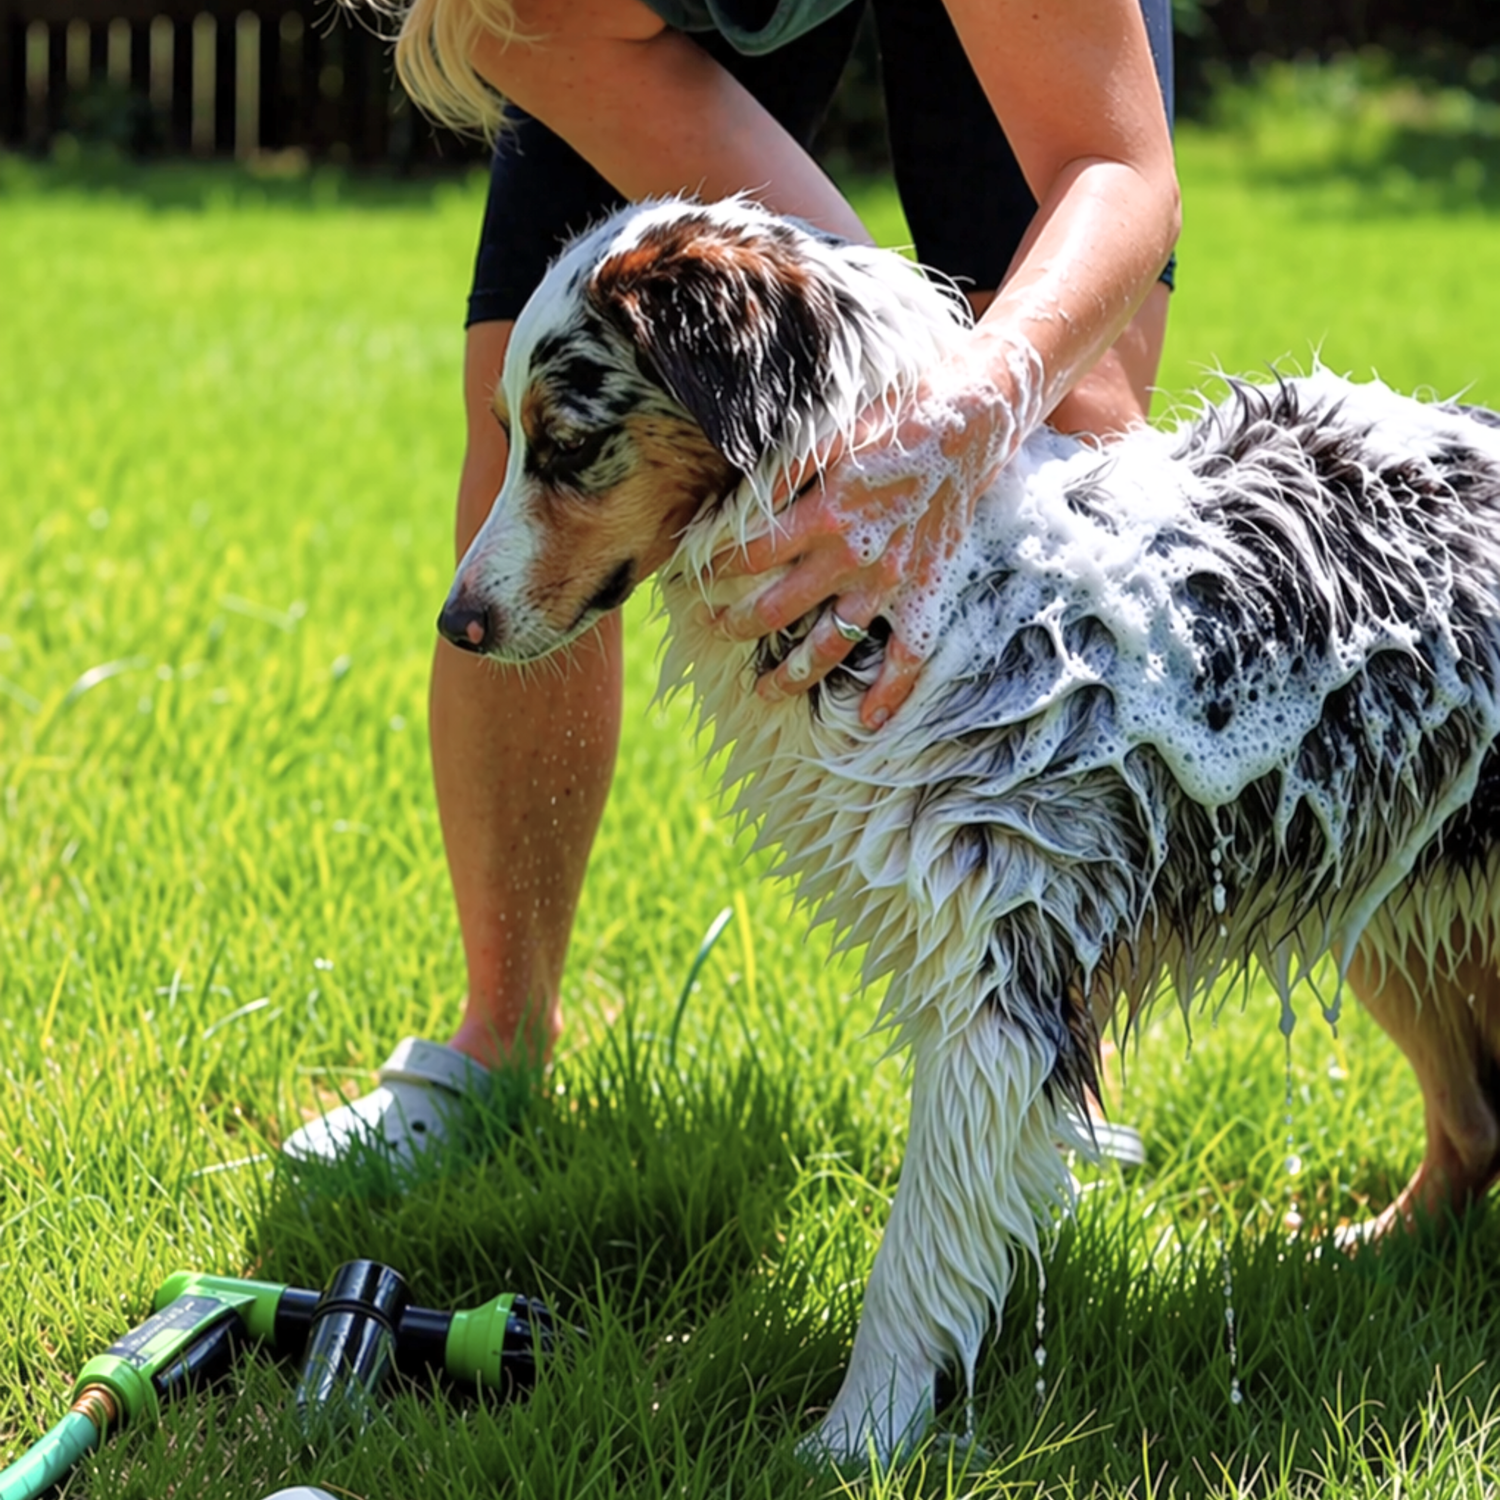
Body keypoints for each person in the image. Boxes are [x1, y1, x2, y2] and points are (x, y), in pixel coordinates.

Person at [283, 0, 1181, 1165]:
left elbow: (1113, 168)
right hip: (617, 33)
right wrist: (874, 399)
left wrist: (962, 411)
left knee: (1064, 453)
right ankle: (500, 1038)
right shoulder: (514, 8)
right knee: (530, 377)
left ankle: (1040, 1067)